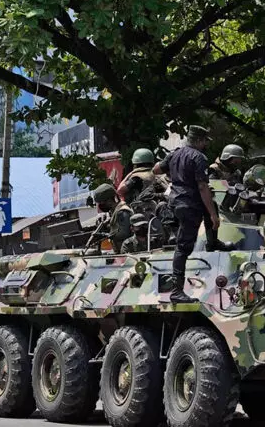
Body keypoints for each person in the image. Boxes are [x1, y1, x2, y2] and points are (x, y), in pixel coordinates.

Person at [153, 125, 235, 303]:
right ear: (198, 140)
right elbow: (203, 187)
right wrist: (214, 216)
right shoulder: (199, 158)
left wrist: (175, 169)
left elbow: (156, 170)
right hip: (189, 205)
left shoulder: (175, 153)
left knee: (209, 204)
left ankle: (213, 243)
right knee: (183, 249)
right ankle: (177, 291)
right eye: (205, 141)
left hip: (175, 201)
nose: (206, 144)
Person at [92, 183, 133, 254]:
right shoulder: (114, 212)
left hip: (129, 252)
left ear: (109, 200)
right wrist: (105, 226)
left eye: (102, 203)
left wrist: (104, 235)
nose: (101, 206)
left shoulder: (123, 212)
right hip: (120, 251)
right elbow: (115, 228)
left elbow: (124, 233)